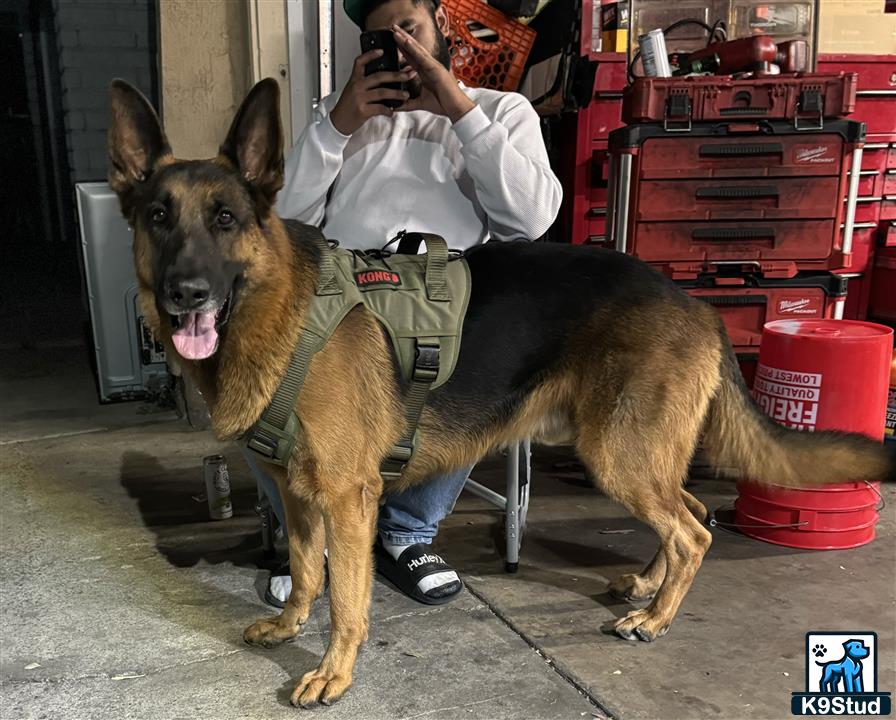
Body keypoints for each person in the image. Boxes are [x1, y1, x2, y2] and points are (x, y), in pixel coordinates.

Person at [254, 0, 561, 608]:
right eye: (380, 36)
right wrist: (338, 125)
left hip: (451, 297)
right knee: (268, 372)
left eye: (410, 30)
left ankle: (405, 531)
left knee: (476, 364)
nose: (398, 47)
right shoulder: (339, 119)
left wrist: (459, 111)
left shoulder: (500, 111)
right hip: (346, 299)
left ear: (442, 31)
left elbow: (529, 221)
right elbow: (284, 227)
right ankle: (309, 535)